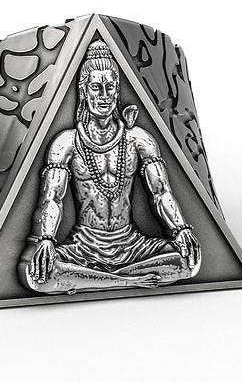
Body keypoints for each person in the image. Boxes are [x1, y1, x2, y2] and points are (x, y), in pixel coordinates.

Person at [18, 40, 201, 294]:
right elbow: (52, 199)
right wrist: (47, 239)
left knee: (189, 262)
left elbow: (161, 193)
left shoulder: (138, 139)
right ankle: (128, 281)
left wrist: (180, 229)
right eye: (96, 87)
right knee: (37, 276)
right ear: (84, 91)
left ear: (117, 91)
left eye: (110, 87)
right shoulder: (66, 143)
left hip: (132, 244)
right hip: (83, 246)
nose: (103, 95)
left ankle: (91, 280)